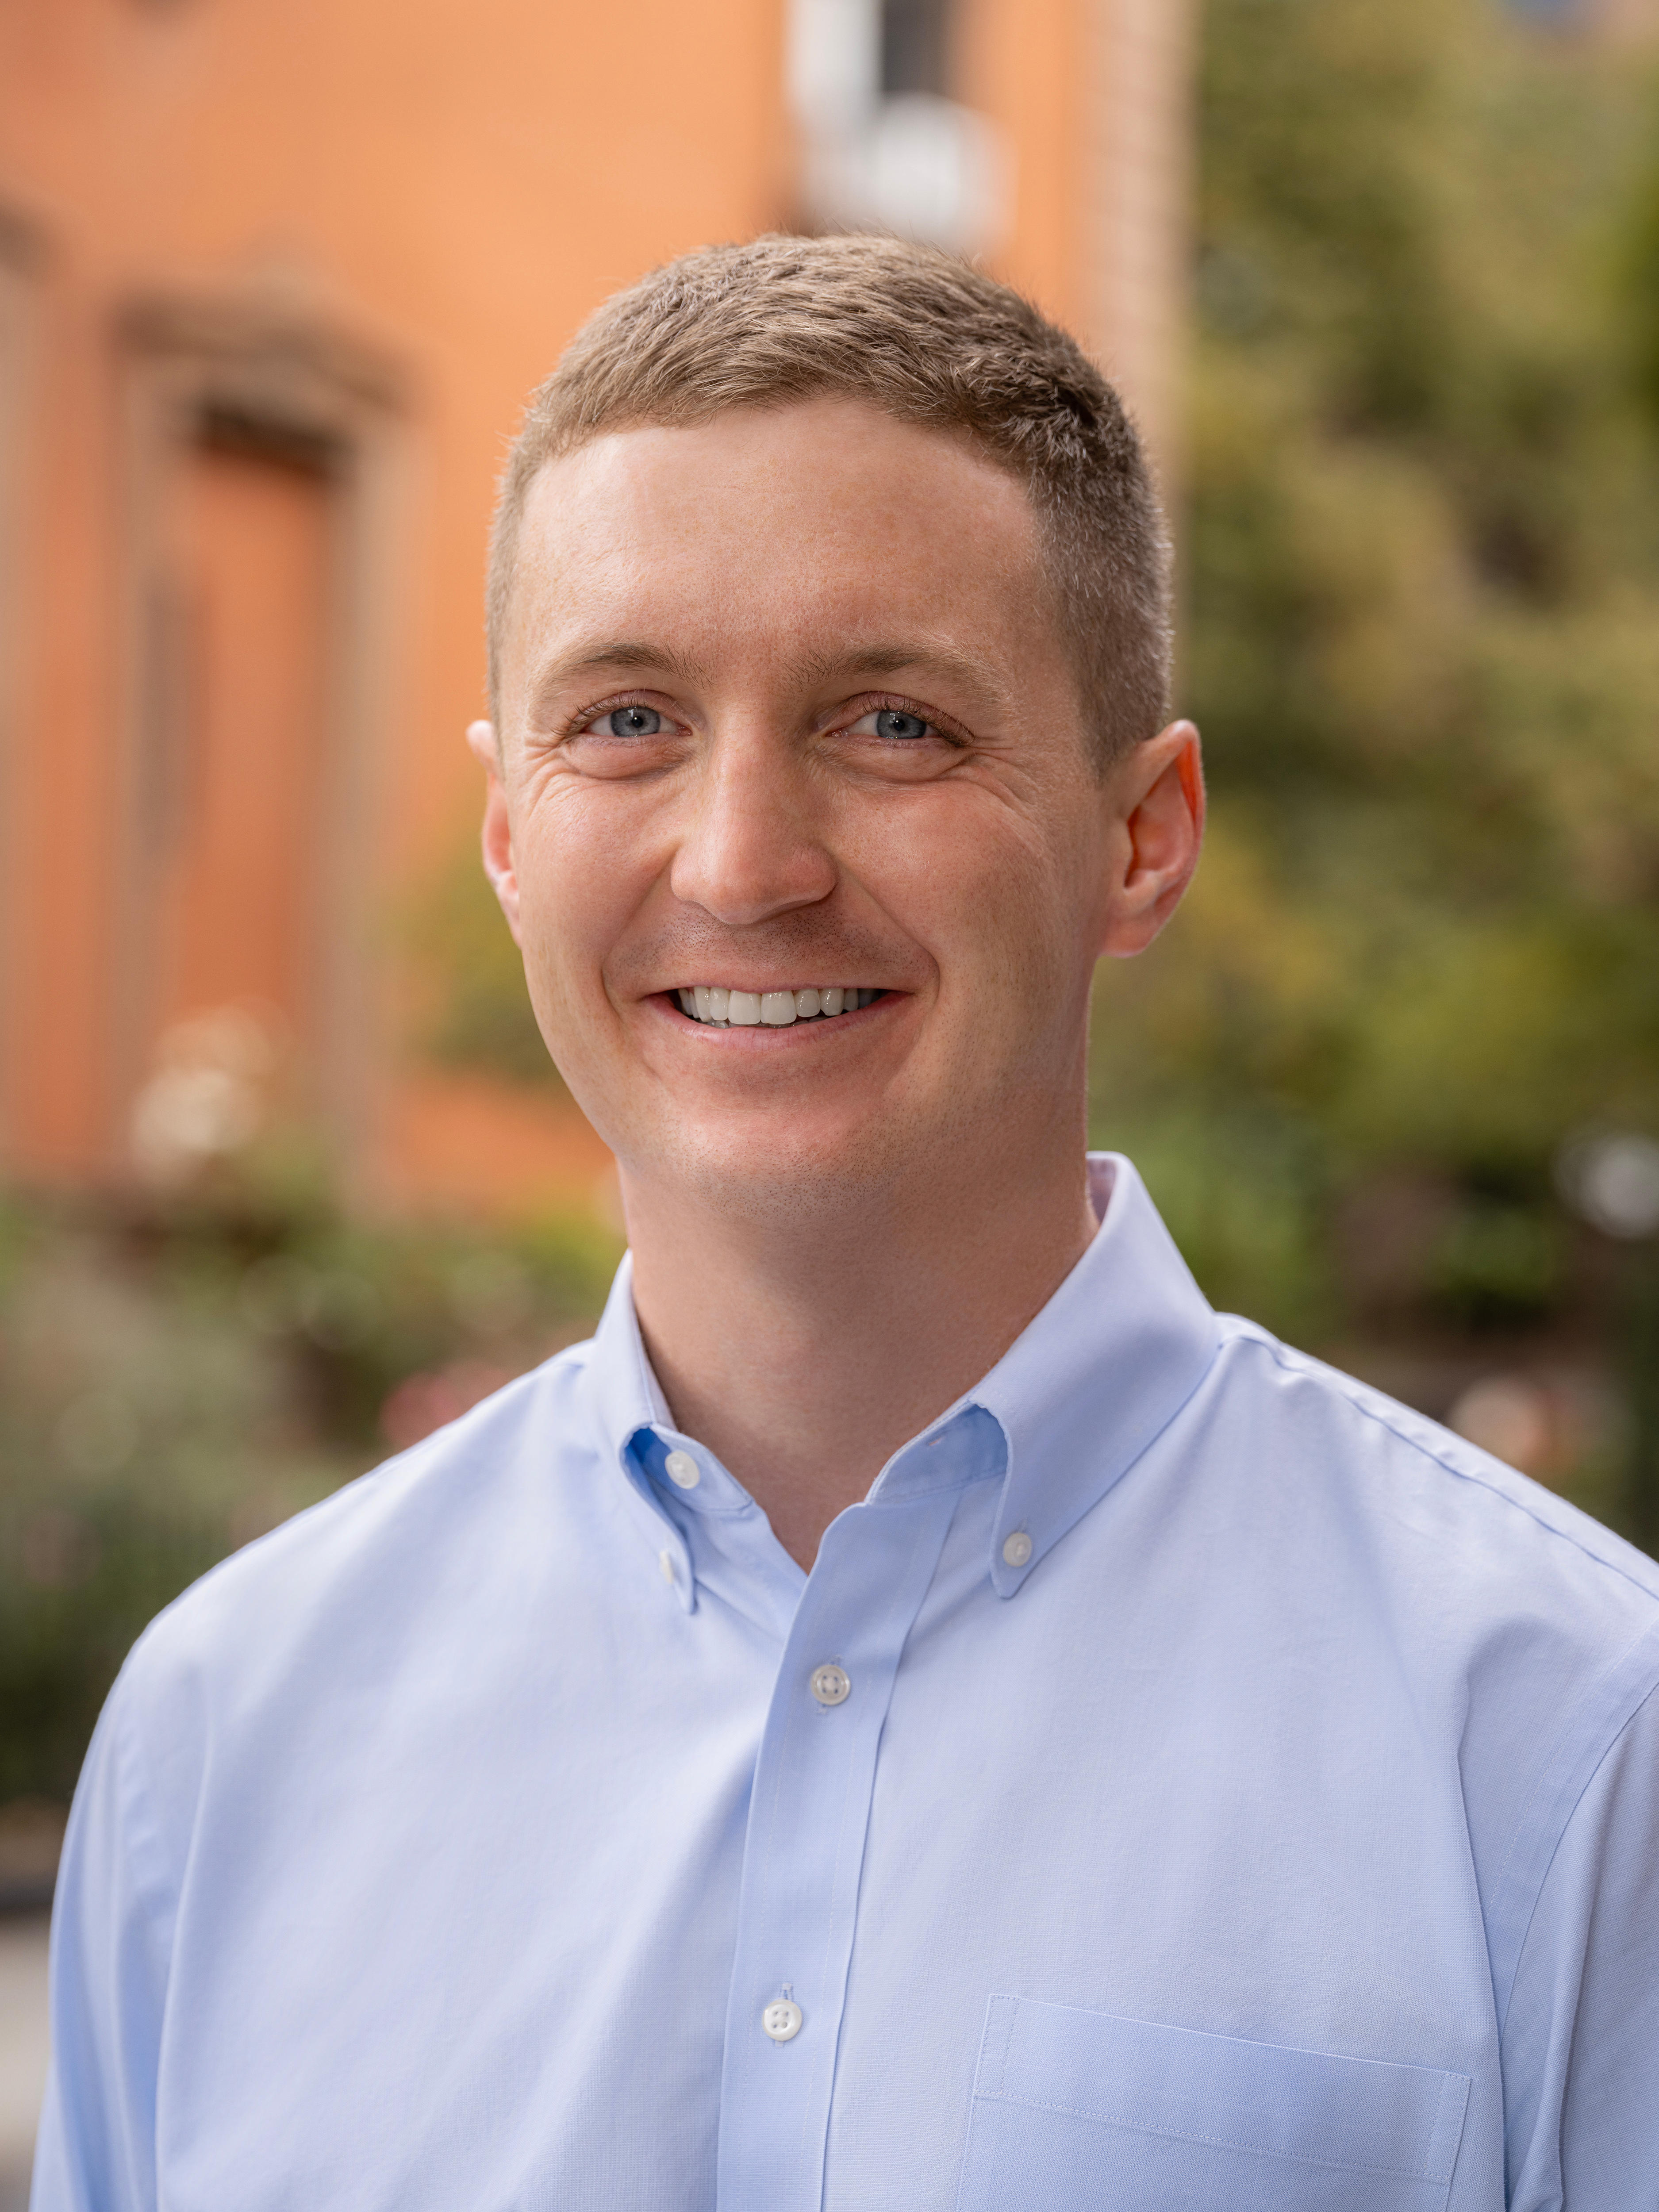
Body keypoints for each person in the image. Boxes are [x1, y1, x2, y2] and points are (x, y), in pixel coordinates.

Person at [33, 235, 1659, 2212]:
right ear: (509, 834)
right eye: (626, 719)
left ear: (1140, 837)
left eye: (891, 723)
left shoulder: (1566, 1737)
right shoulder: (226, 1735)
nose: (740, 864)